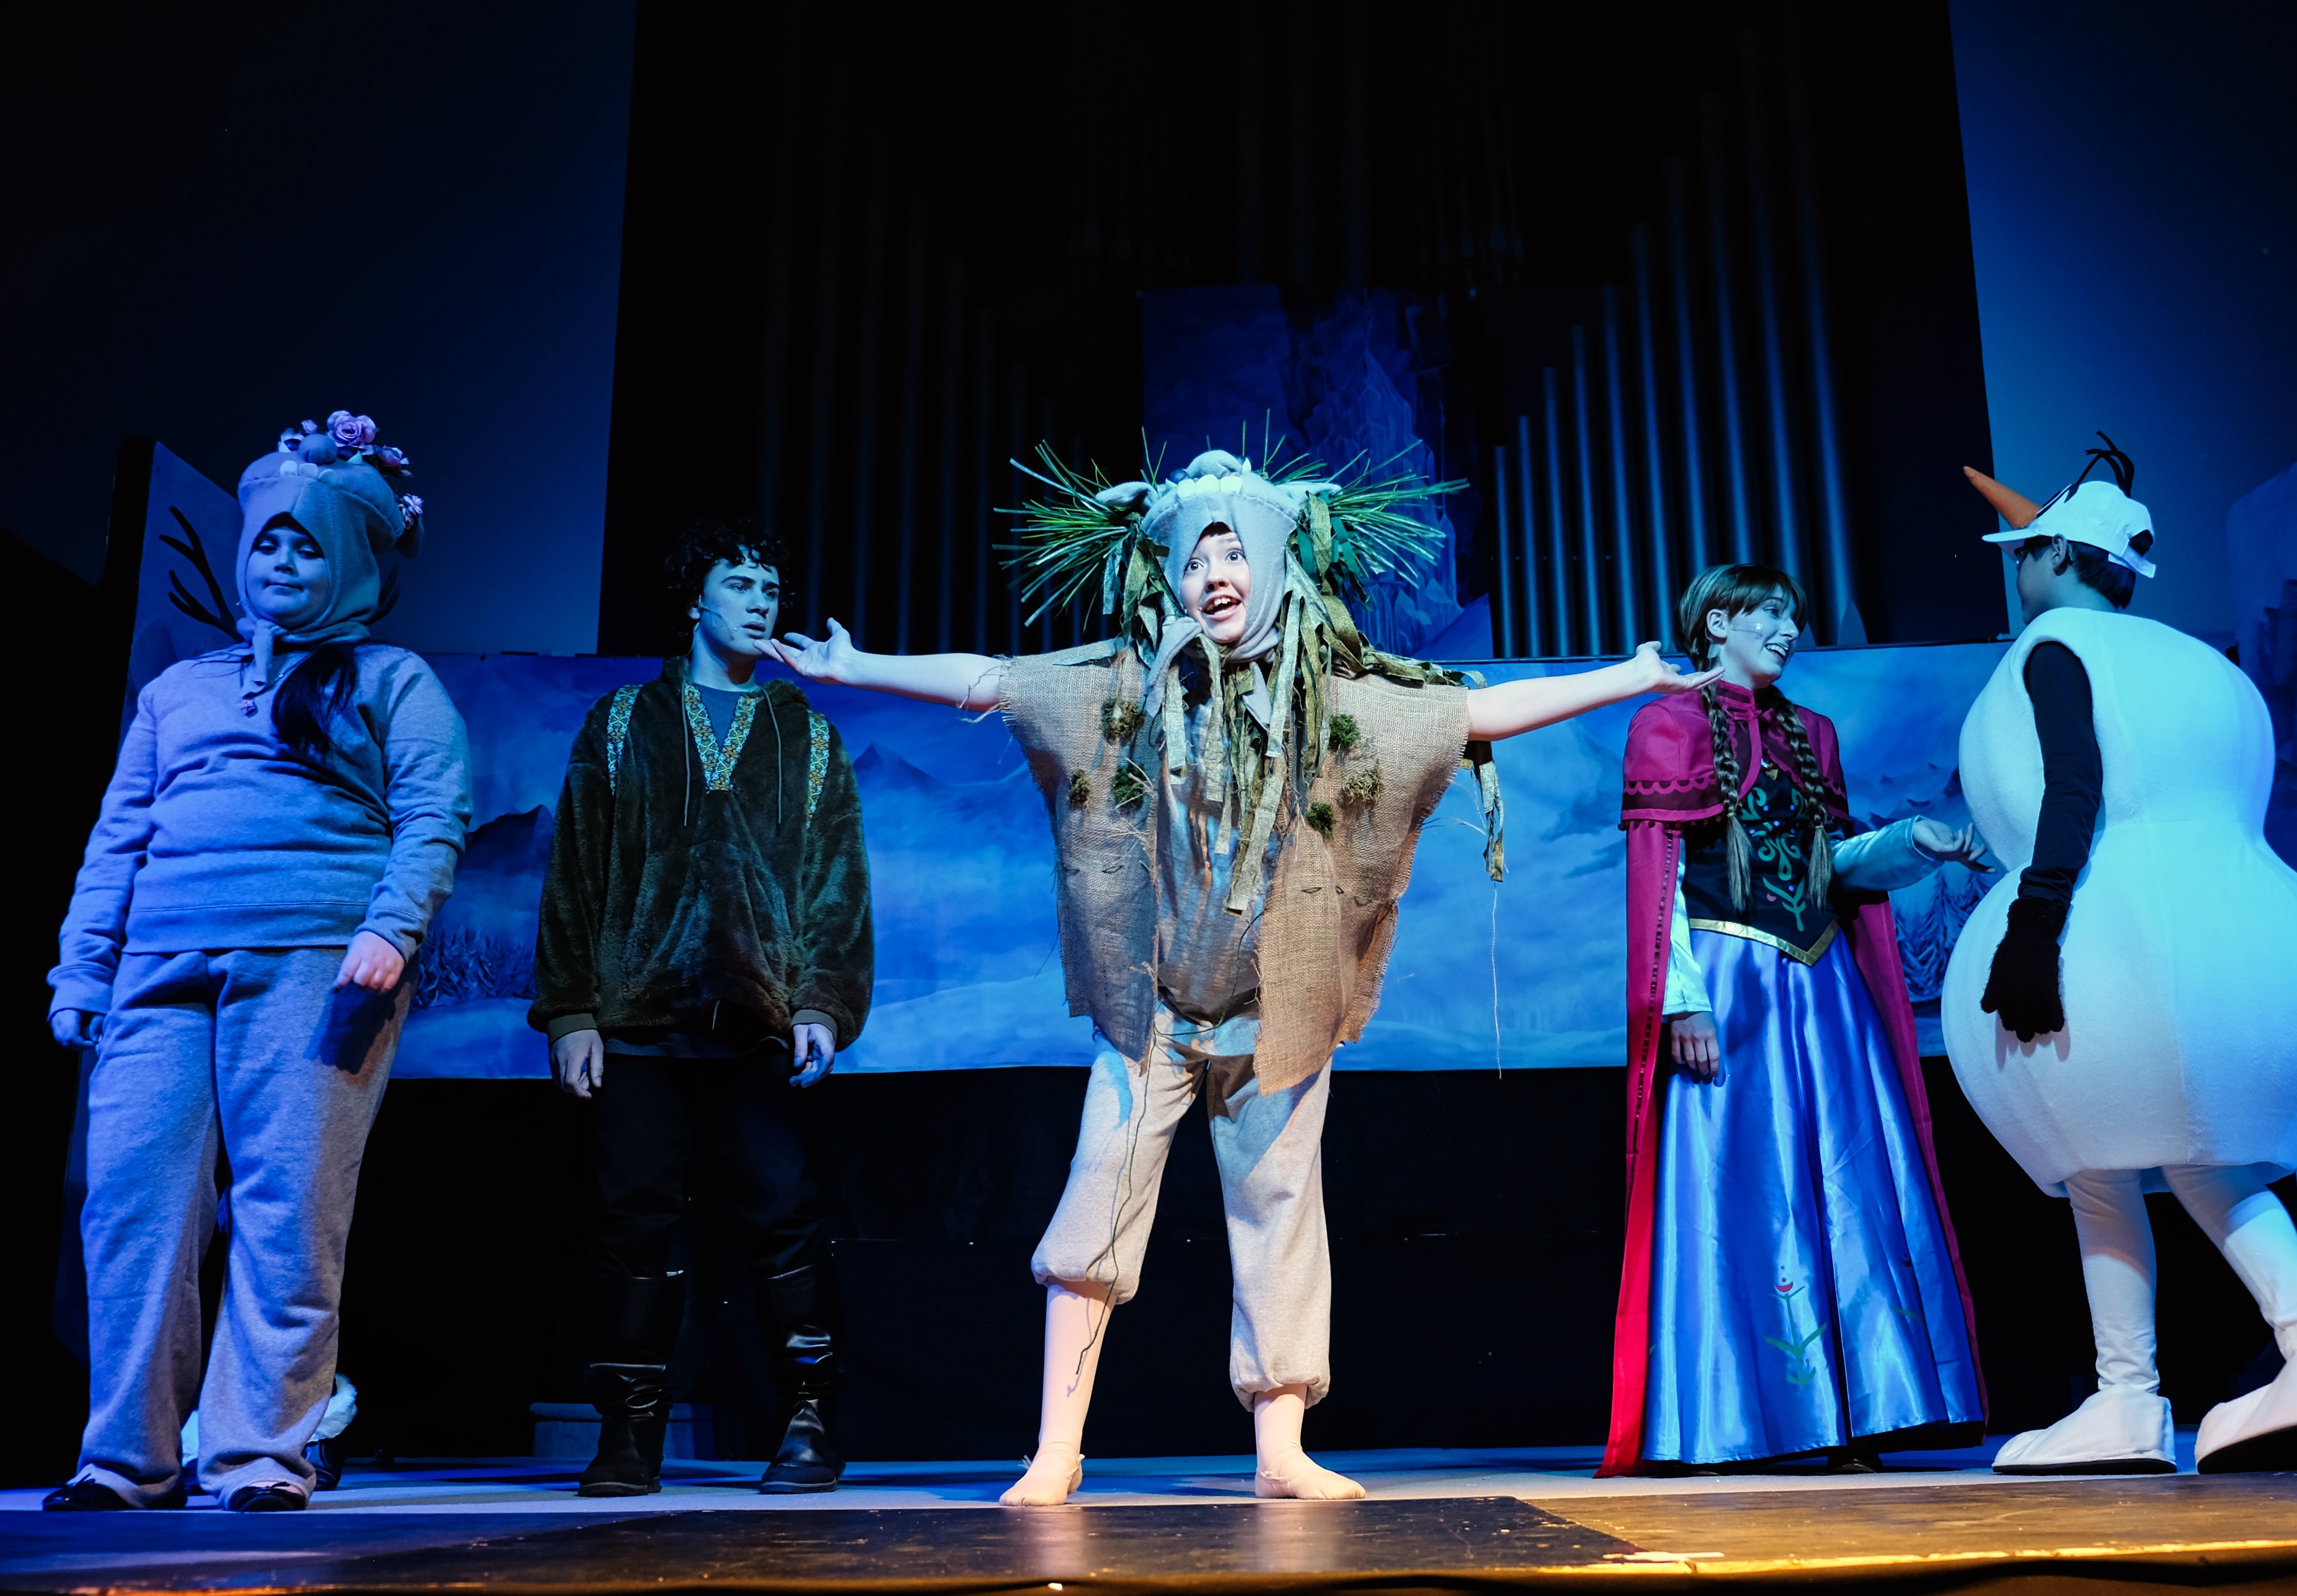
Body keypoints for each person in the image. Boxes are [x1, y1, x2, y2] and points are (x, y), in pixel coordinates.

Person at [768, 445, 1715, 1505]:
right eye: (1194, 560)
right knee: (1094, 1207)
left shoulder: (1339, 697)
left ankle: (1280, 1453)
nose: (1214, 576)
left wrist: (1633, 677)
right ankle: (1056, 1449)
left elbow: (1469, 712)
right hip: (1152, 1013)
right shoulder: (1132, 687)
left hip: (1277, 1014)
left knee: (1279, 1215)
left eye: (1233, 555)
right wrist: (856, 667)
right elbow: (993, 681)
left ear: (1273, 561)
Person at [45, 414, 469, 1512]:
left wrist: (389, 929)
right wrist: (82, 968)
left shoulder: (391, 679)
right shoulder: (180, 689)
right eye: (268, 542)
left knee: (288, 1209)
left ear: (358, 564)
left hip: (317, 964)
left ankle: (258, 1454)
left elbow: (434, 817)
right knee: (129, 1207)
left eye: (308, 547)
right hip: (157, 966)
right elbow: (117, 837)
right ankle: (125, 1458)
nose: (281, 562)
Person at [1947, 442, 2297, 1474]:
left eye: (2028, 553)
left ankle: (2128, 1394)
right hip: (2270, 939)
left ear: (2061, 555)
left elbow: (2073, 784)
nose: (2021, 574)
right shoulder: (2202, 661)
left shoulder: (2054, 645)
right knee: (2204, 1156)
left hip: (2119, 941)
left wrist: (2035, 927)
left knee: (2098, 1162)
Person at [1600, 563, 1987, 1476]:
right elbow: (1660, 883)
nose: (1787, 629)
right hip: (1731, 982)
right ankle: (1736, 1417)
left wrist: (1911, 844)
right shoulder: (1668, 725)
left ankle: (1854, 1413)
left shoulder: (1812, 732)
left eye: (1793, 615)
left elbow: (1829, 866)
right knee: (1746, 1184)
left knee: (1840, 1183)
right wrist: (1682, 1000)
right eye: (1770, 612)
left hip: (1821, 987)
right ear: (1717, 622)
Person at [532, 522, 873, 1498]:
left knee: (787, 1216)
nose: (762, 601)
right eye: (740, 582)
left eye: (772, 586)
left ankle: (809, 1421)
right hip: (640, 1020)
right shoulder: (619, 722)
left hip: (762, 1019)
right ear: (695, 598)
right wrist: (571, 1012)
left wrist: (823, 1001)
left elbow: (837, 882)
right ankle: (629, 1431)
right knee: (632, 1220)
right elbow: (575, 870)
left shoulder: (807, 734)